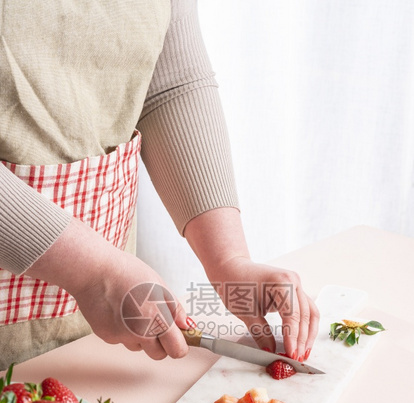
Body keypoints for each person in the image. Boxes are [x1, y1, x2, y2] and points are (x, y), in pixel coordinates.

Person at [0, 0, 319, 371]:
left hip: (96, 337)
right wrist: (94, 271)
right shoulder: (98, 273)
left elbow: (172, 81)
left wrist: (229, 261)